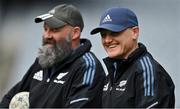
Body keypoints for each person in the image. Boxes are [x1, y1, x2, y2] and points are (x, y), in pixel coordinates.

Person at [0, 4, 106, 108]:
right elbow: (9, 98)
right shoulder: (42, 61)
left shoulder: (87, 67)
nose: (47, 35)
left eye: (54, 30)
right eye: (45, 29)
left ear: (75, 33)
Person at [90, 7, 175, 108]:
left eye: (114, 33)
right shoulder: (113, 74)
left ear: (134, 32)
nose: (107, 40)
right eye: (103, 35)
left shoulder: (148, 73)